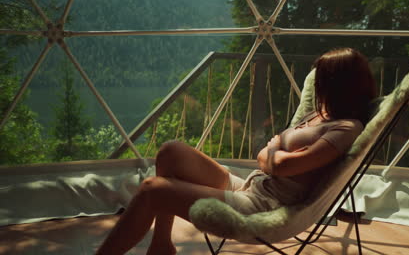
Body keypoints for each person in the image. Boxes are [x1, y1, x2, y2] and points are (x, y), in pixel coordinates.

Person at [96, 48, 377, 255]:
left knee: (151, 190)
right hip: (252, 186)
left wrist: (274, 148)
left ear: (338, 85)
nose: (316, 86)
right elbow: (269, 159)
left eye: (322, 80)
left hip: (263, 207)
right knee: (171, 152)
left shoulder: (346, 127)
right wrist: (274, 155)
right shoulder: (321, 115)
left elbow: (282, 165)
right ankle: (161, 247)